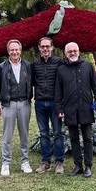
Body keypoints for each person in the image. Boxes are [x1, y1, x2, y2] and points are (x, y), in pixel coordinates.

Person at [55, 42, 96, 178]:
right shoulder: (61, 69)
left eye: (75, 50)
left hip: (85, 107)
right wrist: (59, 108)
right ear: (65, 53)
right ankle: (78, 166)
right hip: (69, 109)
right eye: (69, 51)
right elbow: (58, 92)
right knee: (74, 138)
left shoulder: (88, 66)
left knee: (87, 137)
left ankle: (88, 165)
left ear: (79, 51)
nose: (72, 53)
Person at [0, 39, 33, 177]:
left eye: (16, 49)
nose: (14, 52)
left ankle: (25, 161)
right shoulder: (1, 67)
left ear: (20, 50)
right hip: (8, 104)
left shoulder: (27, 65)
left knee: (24, 134)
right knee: (7, 135)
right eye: (12, 50)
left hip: (24, 104)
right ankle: (5, 163)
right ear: (8, 51)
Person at [32, 37, 65, 174]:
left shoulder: (59, 62)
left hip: (54, 102)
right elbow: (33, 81)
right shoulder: (34, 64)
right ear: (39, 48)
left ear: (52, 47)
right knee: (43, 133)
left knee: (58, 133)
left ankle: (59, 162)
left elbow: (63, 81)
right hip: (40, 102)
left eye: (47, 46)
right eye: (42, 47)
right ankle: (45, 162)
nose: (45, 49)